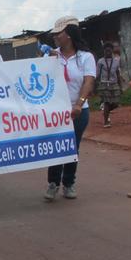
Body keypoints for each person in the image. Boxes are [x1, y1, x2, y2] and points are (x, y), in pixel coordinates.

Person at [44, 16, 96, 201]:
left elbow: (88, 81)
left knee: (72, 147)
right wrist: (48, 62)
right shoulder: (51, 56)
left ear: (70, 34)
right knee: (56, 147)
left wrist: (79, 104)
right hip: (56, 112)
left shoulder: (85, 57)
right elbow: (42, 81)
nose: (55, 36)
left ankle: (68, 183)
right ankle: (53, 183)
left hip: (78, 111)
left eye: (59, 33)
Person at [96, 43, 123, 128]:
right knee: (107, 102)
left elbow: (118, 74)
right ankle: (106, 122)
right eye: (106, 50)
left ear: (112, 50)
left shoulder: (116, 61)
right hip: (104, 84)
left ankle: (105, 111)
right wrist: (96, 85)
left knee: (116, 103)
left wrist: (120, 86)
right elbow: (97, 74)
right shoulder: (100, 61)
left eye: (109, 50)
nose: (108, 51)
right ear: (104, 51)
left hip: (114, 84)